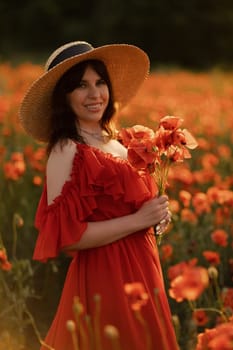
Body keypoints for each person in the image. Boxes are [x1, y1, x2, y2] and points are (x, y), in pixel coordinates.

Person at [19, 41, 179, 350]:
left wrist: (157, 216)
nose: (95, 94)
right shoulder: (67, 149)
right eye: (81, 86)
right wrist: (137, 220)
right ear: (64, 98)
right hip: (106, 278)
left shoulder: (119, 142)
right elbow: (68, 237)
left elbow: (134, 213)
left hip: (144, 270)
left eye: (100, 82)